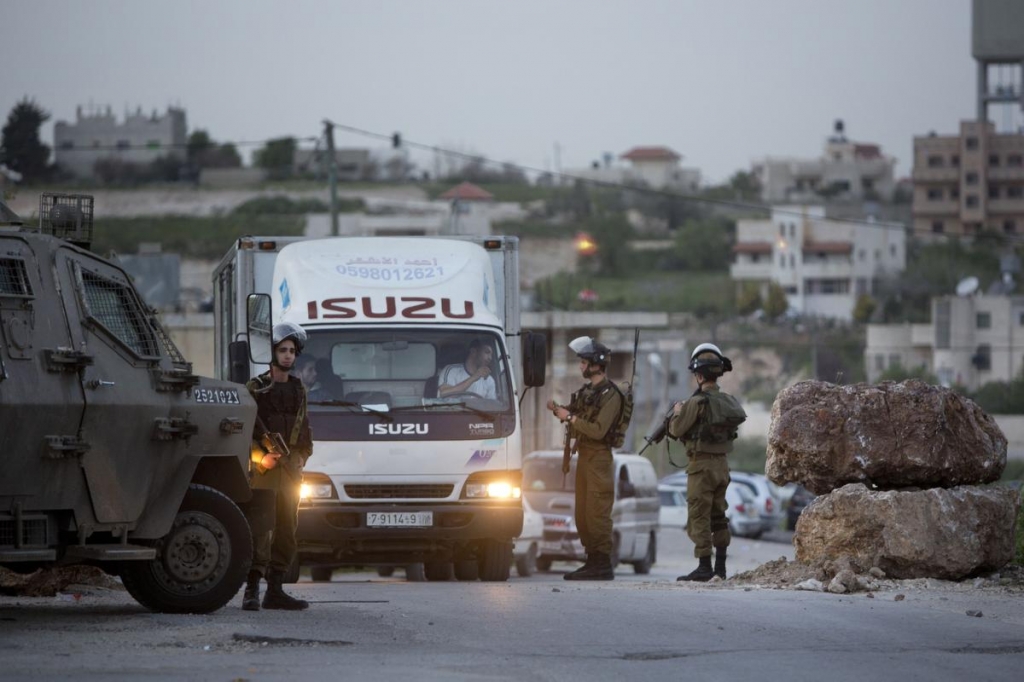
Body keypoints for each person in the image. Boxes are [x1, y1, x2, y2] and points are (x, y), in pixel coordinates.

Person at [241, 321, 314, 611]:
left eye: (292, 351)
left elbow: (304, 429)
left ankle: (275, 589)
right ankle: (251, 589)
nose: (287, 356)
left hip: (290, 470)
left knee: (287, 528)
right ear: (271, 352)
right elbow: (244, 429)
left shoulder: (298, 388)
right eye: (282, 350)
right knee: (260, 528)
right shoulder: (256, 388)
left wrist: (300, 457)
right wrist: (262, 457)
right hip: (263, 469)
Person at [667, 343, 746, 582]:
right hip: (722, 466)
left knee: (699, 516)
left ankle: (704, 566)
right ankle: (720, 567)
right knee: (719, 515)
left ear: (699, 376)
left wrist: (678, 411)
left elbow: (676, 429)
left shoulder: (695, 403)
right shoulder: (728, 400)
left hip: (701, 467)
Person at [546, 336, 621, 581]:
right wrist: (560, 410)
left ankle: (602, 564)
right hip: (585, 456)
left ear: (596, 364)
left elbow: (599, 430)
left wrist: (569, 418)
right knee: (583, 514)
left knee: (597, 513)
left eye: (583, 362)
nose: (580, 367)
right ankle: (592, 560)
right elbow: (576, 412)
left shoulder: (611, 395)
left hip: (599, 458)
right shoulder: (588, 392)